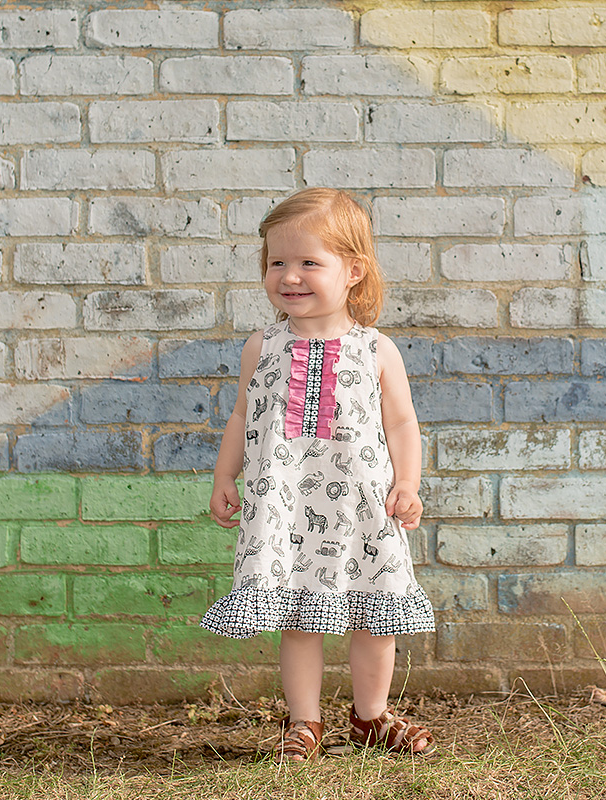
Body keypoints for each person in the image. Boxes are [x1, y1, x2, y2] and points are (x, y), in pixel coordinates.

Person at [200, 187, 436, 761]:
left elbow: (403, 423)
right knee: (298, 619)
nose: (290, 276)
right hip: (286, 507)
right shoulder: (264, 346)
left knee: (375, 619)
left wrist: (408, 482)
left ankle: (371, 716)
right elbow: (241, 417)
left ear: (353, 270)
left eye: (309, 262)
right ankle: (303, 723)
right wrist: (224, 476)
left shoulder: (375, 349)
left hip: (360, 507)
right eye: (277, 263)